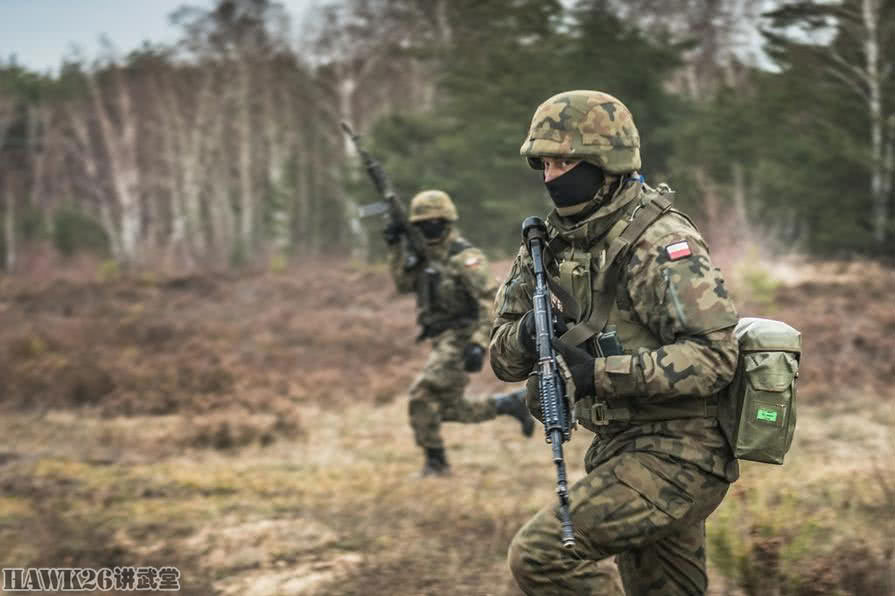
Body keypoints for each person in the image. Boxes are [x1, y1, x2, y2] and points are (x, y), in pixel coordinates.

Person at [489, 90, 740, 595]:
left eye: (565, 161)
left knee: (540, 555)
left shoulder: (661, 243)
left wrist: (597, 376)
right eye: (544, 162)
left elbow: (715, 358)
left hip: (681, 454)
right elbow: (501, 358)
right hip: (616, 448)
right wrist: (527, 333)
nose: (550, 175)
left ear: (607, 162)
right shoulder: (548, 245)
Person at [385, 189, 534, 477]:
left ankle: (436, 464)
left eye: (435, 222)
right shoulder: (424, 256)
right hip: (441, 338)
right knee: (446, 407)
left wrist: (479, 343)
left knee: (421, 395)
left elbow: (490, 301)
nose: (429, 228)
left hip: (462, 337)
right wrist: (395, 247)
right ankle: (509, 404)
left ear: (448, 221)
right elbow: (404, 284)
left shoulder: (465, 258)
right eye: (422, 224)